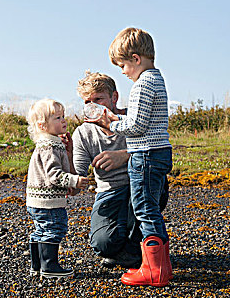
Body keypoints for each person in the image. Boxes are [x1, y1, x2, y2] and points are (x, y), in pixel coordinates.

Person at [88, 27, 173, 287]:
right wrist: (119, 119)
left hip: (145, 154)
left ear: (136, 59)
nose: (123, 72)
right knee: (149, 210)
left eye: (123, 65)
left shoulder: (142, 84)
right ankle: (159, 266)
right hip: (157, 151)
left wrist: (110, 123)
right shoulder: (157, 79)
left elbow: (136, 126)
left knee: (145, 210)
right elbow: (142, 121)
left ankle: (154, 271)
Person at [72, 71, 143, 270]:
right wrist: (65, 155)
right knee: (102, 244)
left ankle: (137, 248)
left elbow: (158, 151)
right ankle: (131, 247)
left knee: (149, 182)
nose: (92, 106)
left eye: (98, 99)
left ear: (114, 97)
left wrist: (125, 155)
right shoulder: (83, 133)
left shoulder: (133, 119)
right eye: (87, 101)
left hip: (139, 183)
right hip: (108, 191)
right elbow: (78, 174)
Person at [25, 98, 89, 278]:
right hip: (48, 201)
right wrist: (74, 180)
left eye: (63, 116)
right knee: (54, 228)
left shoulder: (49, 143)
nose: (63, 121)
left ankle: (37, 265)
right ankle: (49, 267)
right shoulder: (50, 145)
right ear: (43, 125)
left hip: (37, 200)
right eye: (57, 118)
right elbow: (53, 175)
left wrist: (67, 151)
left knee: (41, 230)